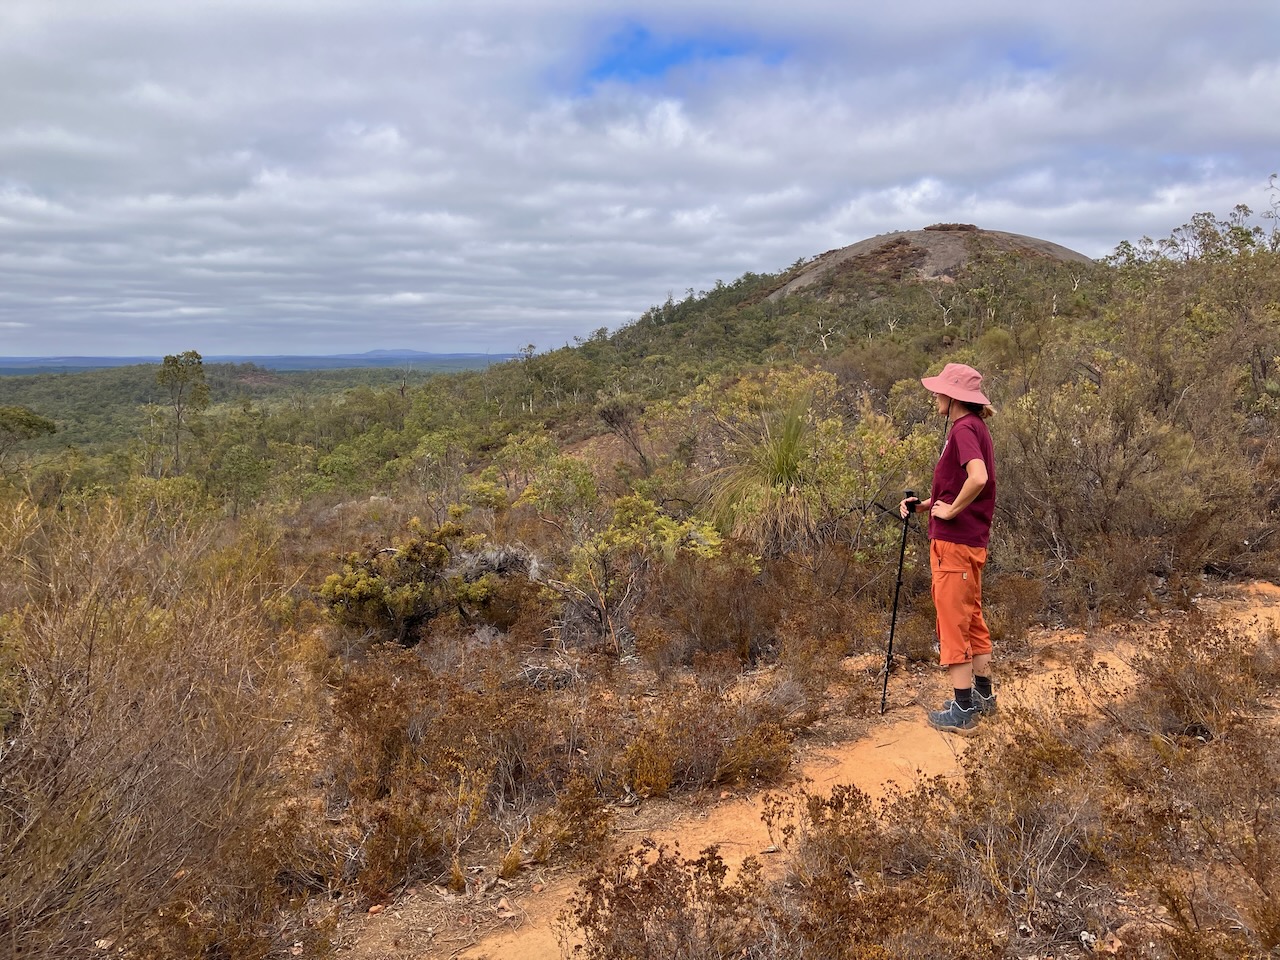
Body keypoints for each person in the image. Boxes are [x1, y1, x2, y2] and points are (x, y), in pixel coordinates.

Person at [899, 362, 997, 735]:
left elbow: (978, 478)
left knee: (952, 622)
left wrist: (952, 510)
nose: (934, 395)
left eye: (939, 390)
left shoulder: (963, 429)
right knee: (971, 617)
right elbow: (965, 482)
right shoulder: (976, 428)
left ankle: (963, 708)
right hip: (968, 541)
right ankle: (983, 697)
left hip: (954, 544)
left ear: (953, 396)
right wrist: (929, 505)